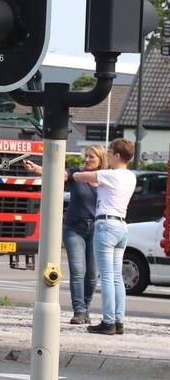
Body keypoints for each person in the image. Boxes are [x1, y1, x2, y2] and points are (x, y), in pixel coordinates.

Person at [24, 145, 107, 325]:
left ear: (101, 160)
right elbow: (57, 174)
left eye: (92, 157)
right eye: (86, 156)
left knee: (92, 274)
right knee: (78, 271)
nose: (87, 160)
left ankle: (86, 308)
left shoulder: (105, 178)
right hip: (74, 228)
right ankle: (79, 311)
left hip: (96, 229)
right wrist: (37, 169)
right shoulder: (76, 173)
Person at [68, 139, 137, 335]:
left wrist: (74, 172)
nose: (106, 155)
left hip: (106, 225)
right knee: (117, 278)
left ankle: (108, 322)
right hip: (122, 226)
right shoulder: (131, 177)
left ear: (117, 155)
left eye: (109, 152)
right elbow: (96, 181)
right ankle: (119, 320)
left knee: (106, 276)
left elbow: (81, 176)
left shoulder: (109, 175)